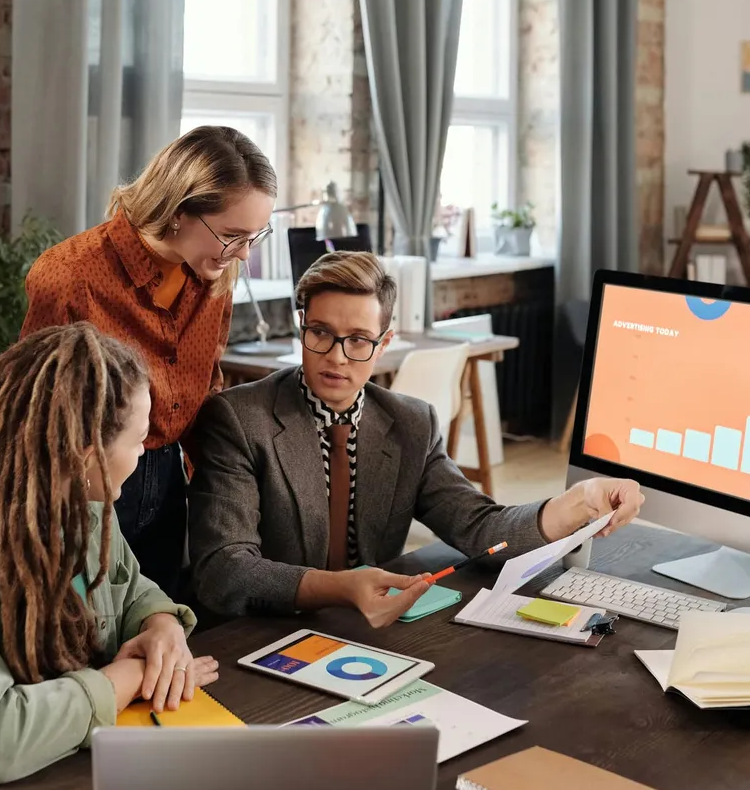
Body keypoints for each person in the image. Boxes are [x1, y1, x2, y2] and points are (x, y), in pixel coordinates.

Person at [187, 251, 646, 626]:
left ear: (384, 344)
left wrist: (575, 502)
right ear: (301, 327)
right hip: (257, 633)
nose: (337, 357)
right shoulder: (239, 419)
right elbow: (224, 570)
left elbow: (480, 528)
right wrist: (338, 588)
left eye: (359, 340)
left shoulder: (411, 423)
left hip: (370, 633)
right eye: (320, 333)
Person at [0, 324, 218, 784]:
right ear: (86, 456)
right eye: (139, 440)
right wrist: (126, 678)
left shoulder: (82, 511)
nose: (143, 454)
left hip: (60, 773)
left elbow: (130, 591)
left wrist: (161, 625)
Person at [20, 125, 276, 598]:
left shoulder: (217, 271)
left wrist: (225, 495)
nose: (244, 253)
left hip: (168, 479)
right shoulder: (70, 276)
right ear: (180, 212)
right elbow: (35, 418)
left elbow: (207, 386)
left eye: (254, 236)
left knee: (157, 625)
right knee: (87, 632)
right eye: (233, 235)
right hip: (86, 486)